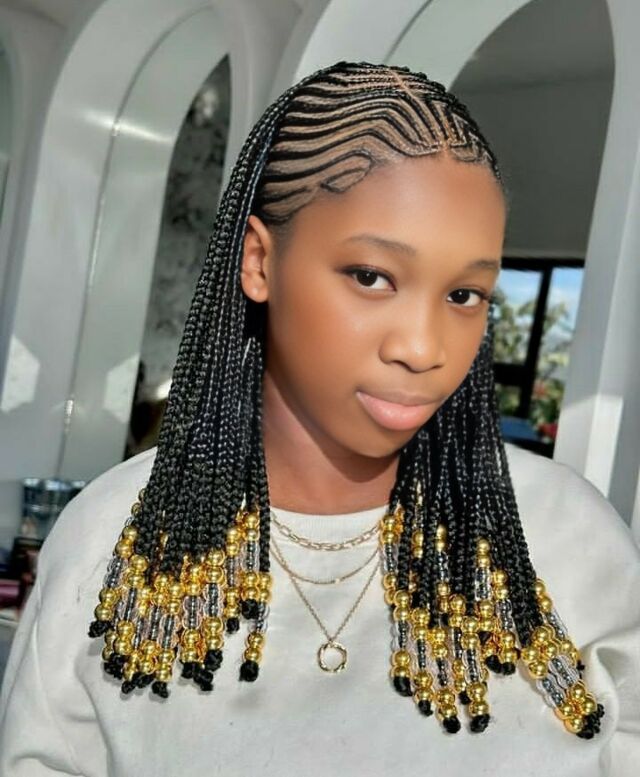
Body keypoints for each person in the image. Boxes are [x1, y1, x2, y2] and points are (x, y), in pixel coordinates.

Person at [1, 60, 638, 777]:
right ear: (258, 262)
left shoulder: (570, 542)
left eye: (464, 294)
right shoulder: (111, 540)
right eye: (371, 277)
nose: (423, 348)